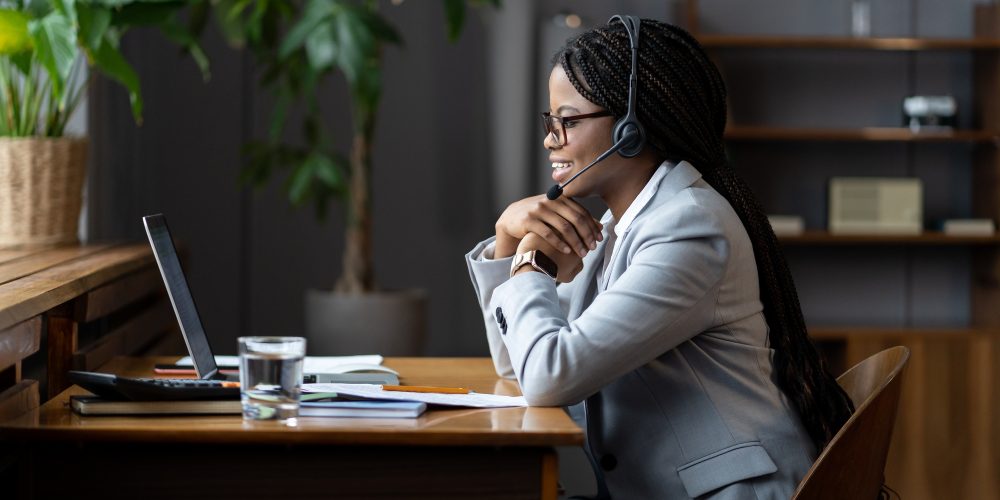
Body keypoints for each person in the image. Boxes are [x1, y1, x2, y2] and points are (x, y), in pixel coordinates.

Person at [465, 16, 854, 499]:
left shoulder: (687, 228)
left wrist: (529, 266)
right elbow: (519, 367)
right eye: (550, 122)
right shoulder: (617, 228)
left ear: (631, 129)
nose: (551, 139)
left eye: (568, 120)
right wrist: (507, 239)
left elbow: (549, 375)